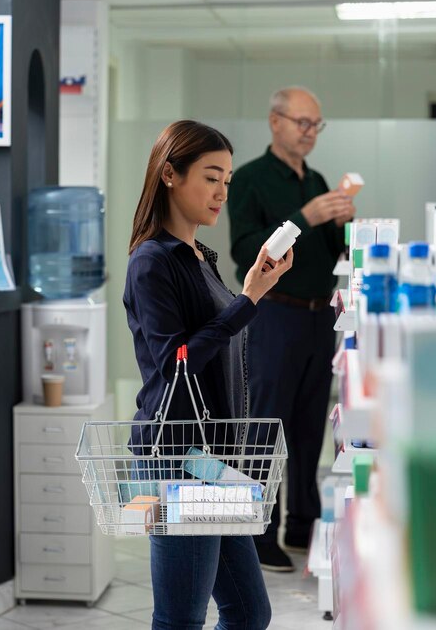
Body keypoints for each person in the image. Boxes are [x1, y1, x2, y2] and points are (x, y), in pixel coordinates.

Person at [125, 120, 293, 630]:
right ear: (170, 175)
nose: (222, 192)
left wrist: (250, 293)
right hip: (176, 460)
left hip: (211, 463)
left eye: (228, 180)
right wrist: (248, 301)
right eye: (211, 177)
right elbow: (178, 361)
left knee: (248, 613)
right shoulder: (153, 262)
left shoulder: (201, 257)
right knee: (180, 619)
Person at [227, 87, 355, 572]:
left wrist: (342, 219)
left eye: (316, 125)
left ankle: (303, 524)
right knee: (266, 425)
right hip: (274, 314)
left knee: (307, 427)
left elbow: (331, 253)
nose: (309, 132)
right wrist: (306, 217)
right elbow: (245, 251)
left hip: (320, 315)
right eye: (302, 122)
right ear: (275, 121)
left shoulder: (317, 178)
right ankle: (258, 536)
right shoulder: (251, 180)